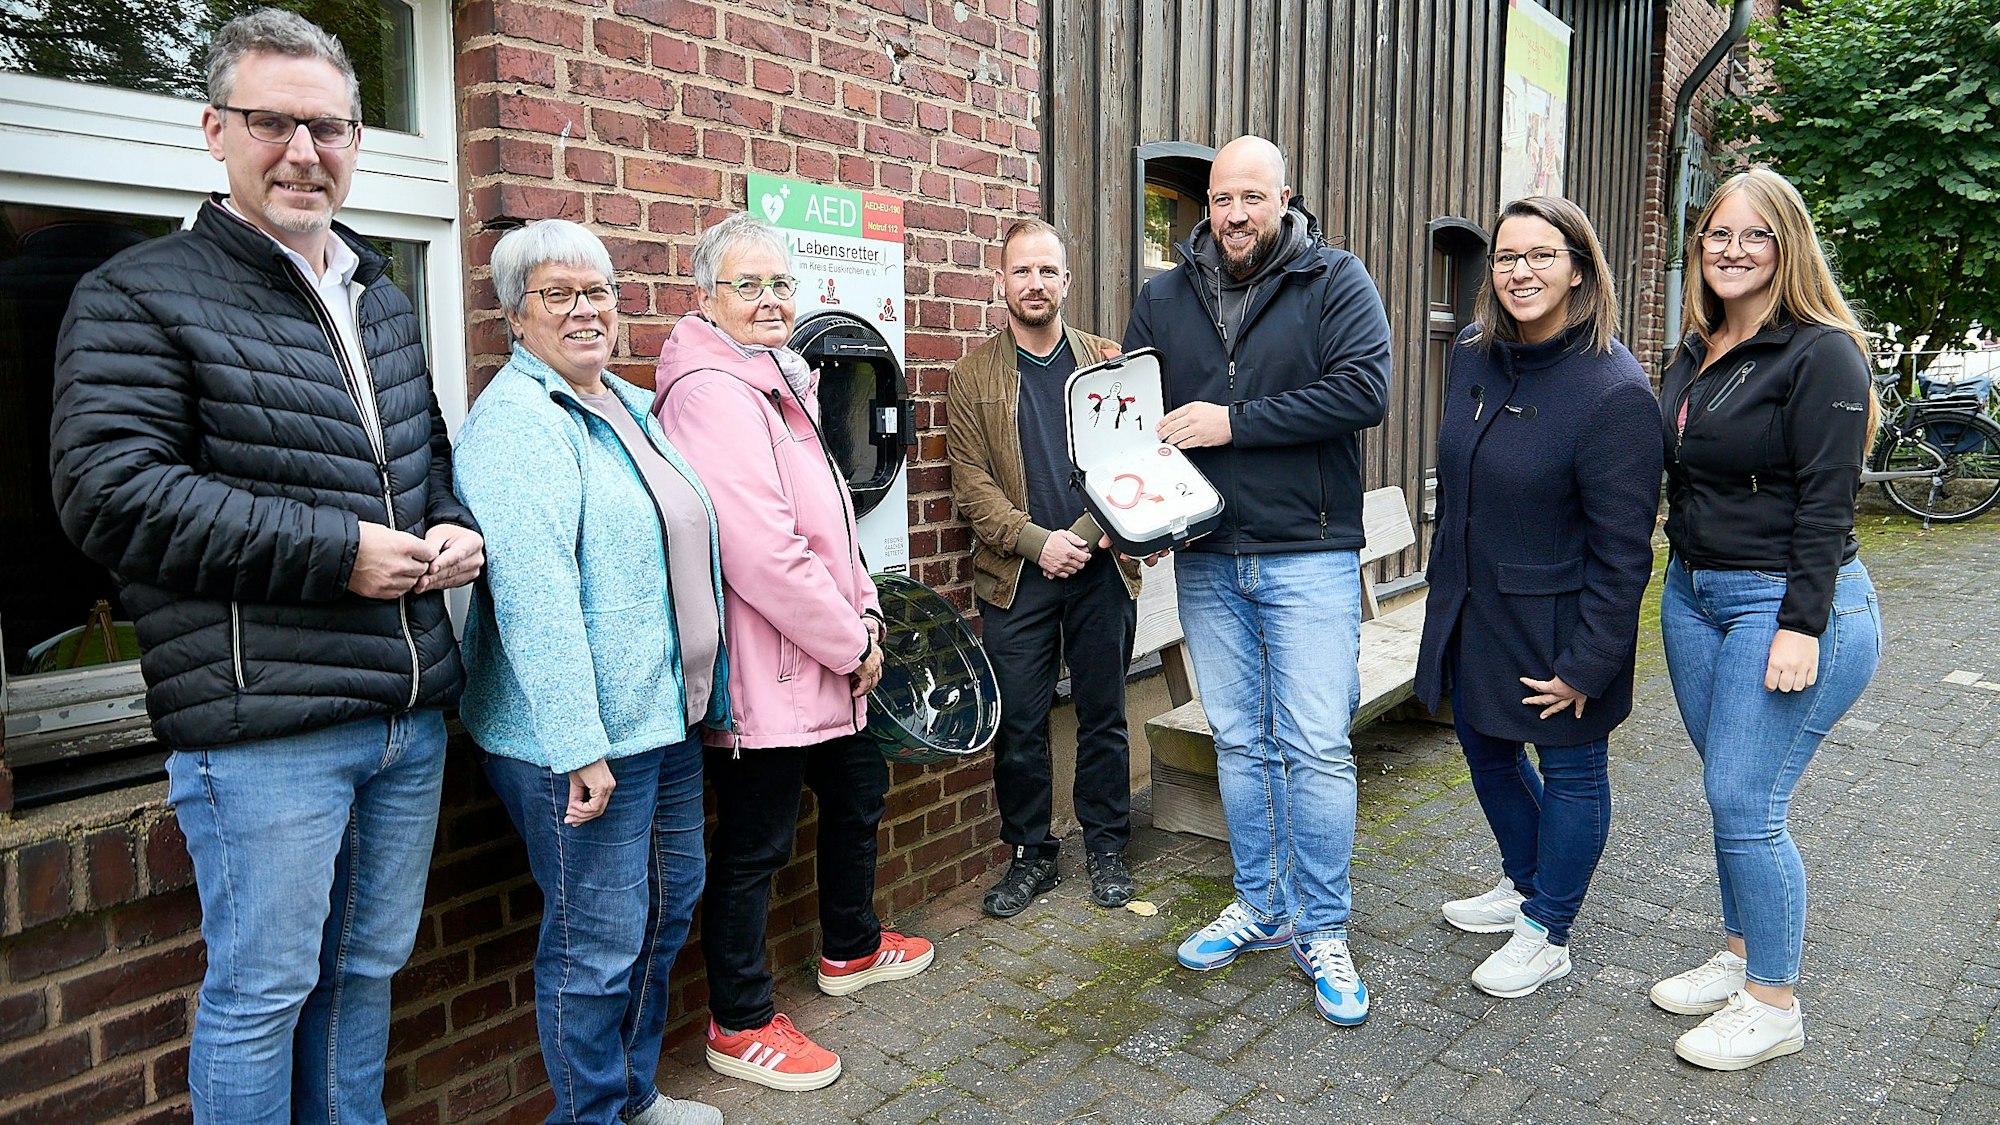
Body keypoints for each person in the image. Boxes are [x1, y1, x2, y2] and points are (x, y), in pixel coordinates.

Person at [47, 10, 482, 1123]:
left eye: (327, 127)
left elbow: (423, 454)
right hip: (264, 729)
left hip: (404, 716)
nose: (303, 152)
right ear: (215, 130)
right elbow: (110, 492)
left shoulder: (378, 295)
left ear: (355, 140)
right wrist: (339, 555)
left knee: (365, 975)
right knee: (261, 996)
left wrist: (453, 526)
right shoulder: (139, 292)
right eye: (272, 122)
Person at [652, 212, 933, 1092]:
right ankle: (738, 1022)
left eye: (781, 283)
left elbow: (832, 523)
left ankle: (850, 946)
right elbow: (764, 551)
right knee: (755, 844)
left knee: (858, 790)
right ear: (707, 298)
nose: (771, 299)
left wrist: (867, 617)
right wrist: (852, 642)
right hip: (769, 673)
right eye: (749, 285)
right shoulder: (711, 393)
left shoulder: (778, 375)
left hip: (828, 654)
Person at [452, 220, 724, 1125]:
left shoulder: (624, 404)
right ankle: (589, 1116)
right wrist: (577, 744)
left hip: (662, 721)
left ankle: (631, 1096)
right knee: (596, 945)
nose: (584, 311)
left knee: (666, 911)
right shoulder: (517, 425)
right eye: (557, 295)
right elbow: (535, 598)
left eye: (597, 291)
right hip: (579, 743)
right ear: (514, 316)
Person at [1122, 135, 1391, 1026]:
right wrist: (1142, 517)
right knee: (1239, 740)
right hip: (1206, 554)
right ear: (1206, 204)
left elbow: (1364, 391)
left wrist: (1232, 422)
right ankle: (1263, 904)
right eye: (1221, 199)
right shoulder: (1164, 297)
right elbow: (1133, 423)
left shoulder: (1334, 280)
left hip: (1307, 550)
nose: (1235, 214)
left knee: (1314, 743)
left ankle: (1323, 925)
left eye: (1251, 197)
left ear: (1283, 198)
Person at [1650, 166, 1882, 1071]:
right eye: (1719, 234)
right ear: (1699, 245)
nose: (1733, 250)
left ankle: (1774, 1001)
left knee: (1747, 800)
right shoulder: (1696, 347)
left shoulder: (1822, 353)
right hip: (1694, 595)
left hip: (1784, 603)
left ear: (1787, 247)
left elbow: (1828, 502)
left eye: (1755, 235)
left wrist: (1800, 624)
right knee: (1728, 786)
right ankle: (1741, 953)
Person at [1412, 198, 1662, 999]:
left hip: (1559, 621)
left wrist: (1590, 663)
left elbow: (1624, 551)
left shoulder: (1615, 390)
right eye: (1506, 257)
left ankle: (1549, 928)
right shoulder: (1475, 354)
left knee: (1573, 770)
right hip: (1473, 606)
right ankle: (1525, 882)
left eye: (1541, 256)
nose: (1520, 272)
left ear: (1579, 269)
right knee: (1484, 748)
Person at [946, 219, 1141, 918]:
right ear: (1000, 281)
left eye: (1047, 271)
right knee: (1020, 724)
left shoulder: (1106, 363)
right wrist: (1037, 543)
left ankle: (1108, 846)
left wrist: (1086, 536)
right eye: (1022, 271)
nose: (1035, 283)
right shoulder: (971, 376)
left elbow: (1132, 457)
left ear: (1067, 280)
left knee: (1103, 715)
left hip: (1101, 570)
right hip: (1017, 577)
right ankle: (1032, 854)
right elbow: (971, 484)